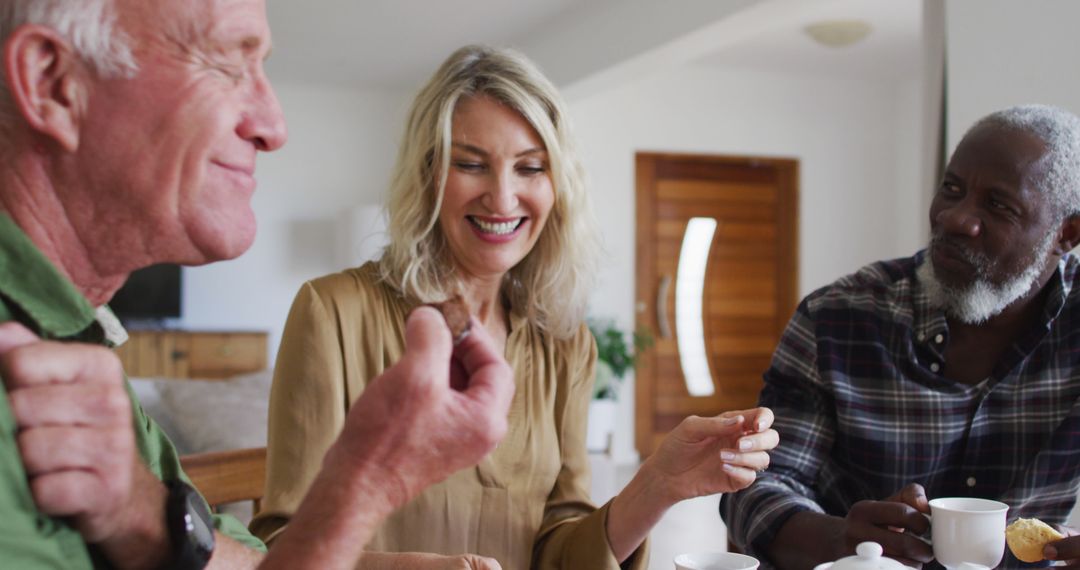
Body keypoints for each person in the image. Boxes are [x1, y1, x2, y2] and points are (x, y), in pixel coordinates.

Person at [0, 1, 515, 569]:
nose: (275, 127)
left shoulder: (77, 340)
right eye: (226, 63)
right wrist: (369, 478)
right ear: (53, 83)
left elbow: (239, 562)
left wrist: (148, 516)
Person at [250, 44, 780, 570]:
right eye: (471, 164)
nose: (502, 199)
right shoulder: (333, 312)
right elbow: (281, 546)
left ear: (557, 187)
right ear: (428, 174)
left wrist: (658, 485)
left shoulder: (567, 344)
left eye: (529, 168)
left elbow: (560, 551)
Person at [721, 104, 1080, 569]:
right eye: (951, 189)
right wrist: (840, 540)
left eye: (998, 206)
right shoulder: (838, 318)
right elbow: (755, 484)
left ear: (1066, 233)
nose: (956, 219)